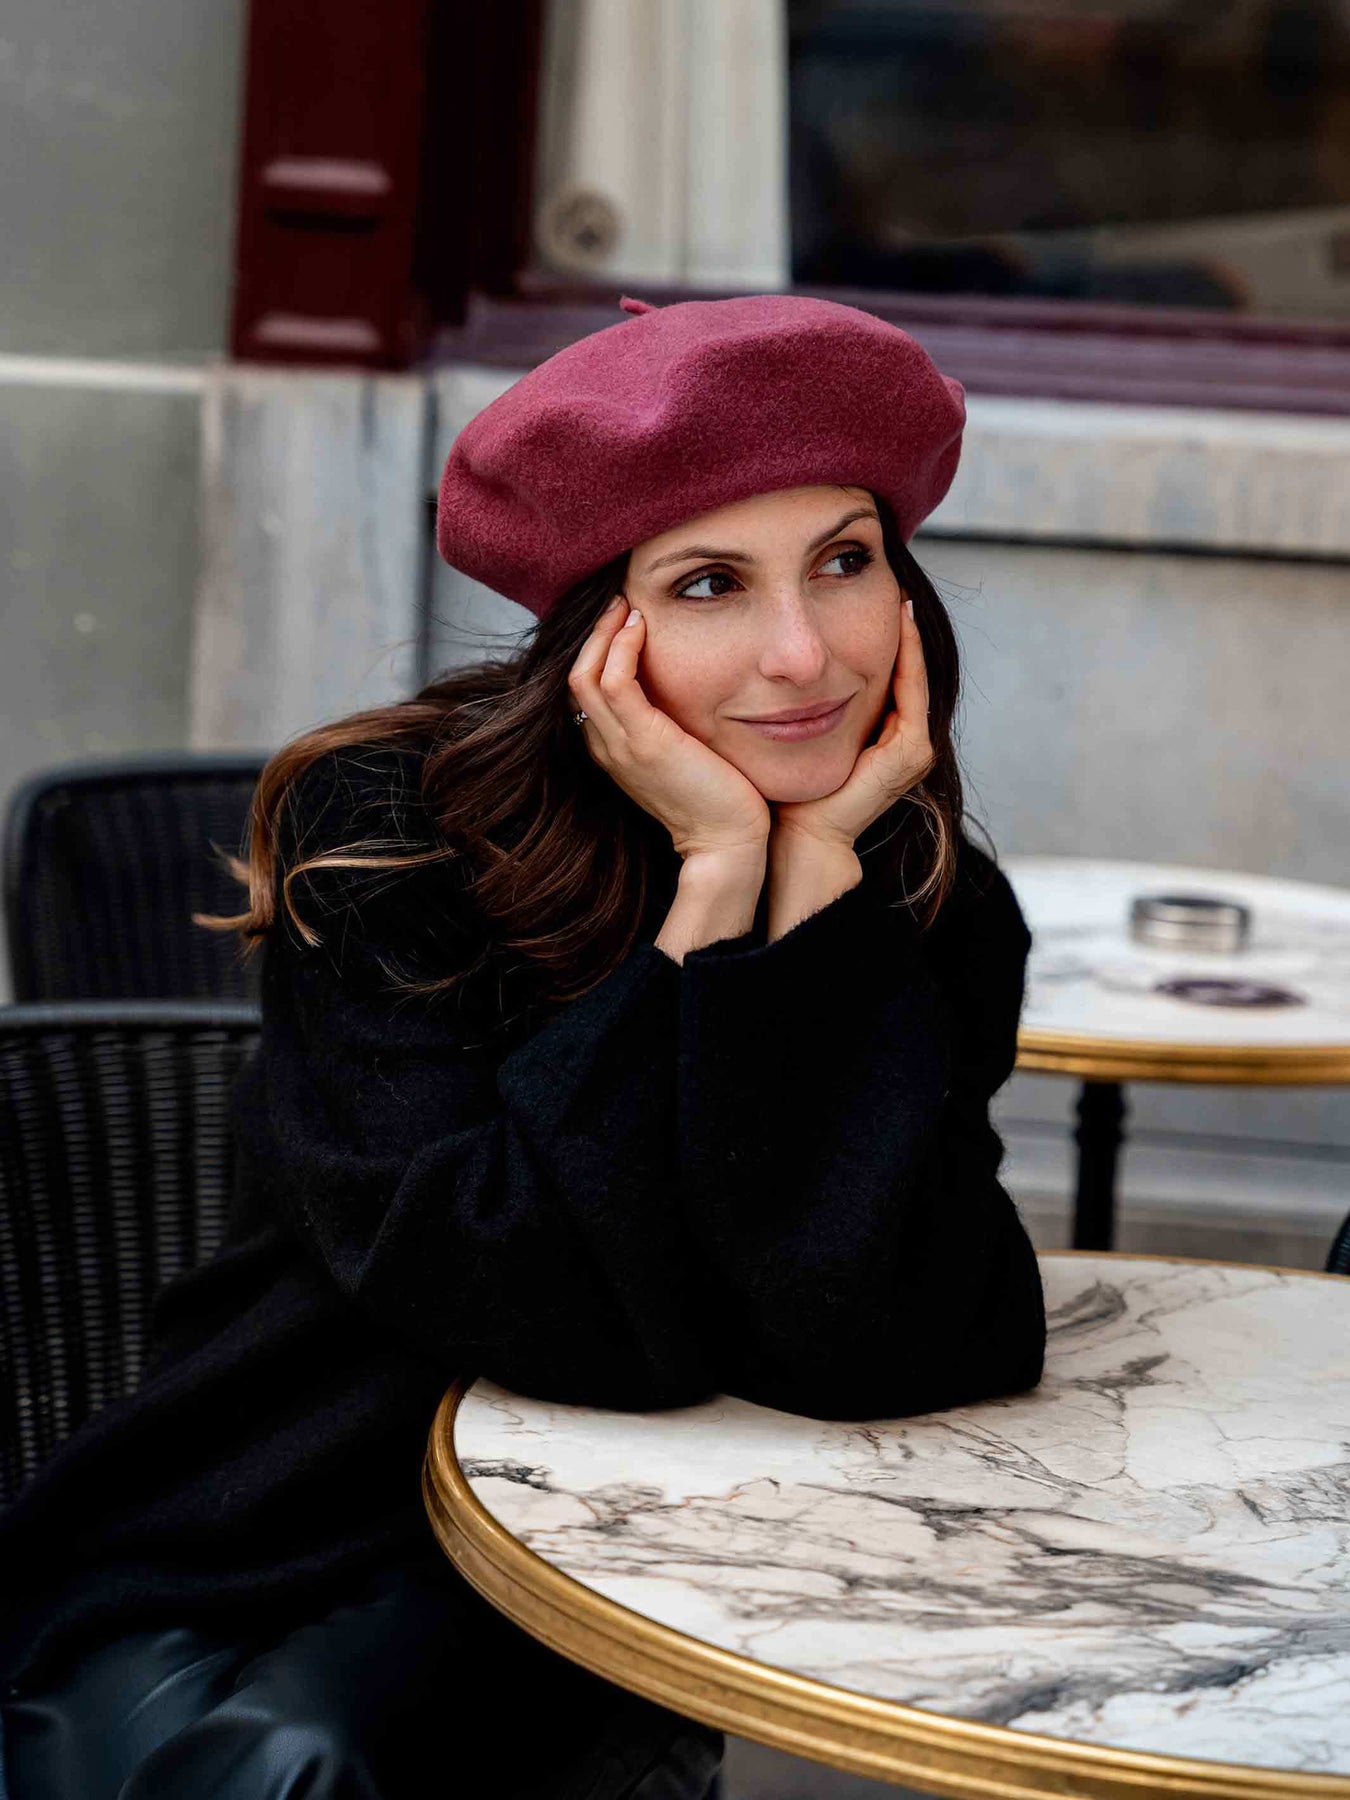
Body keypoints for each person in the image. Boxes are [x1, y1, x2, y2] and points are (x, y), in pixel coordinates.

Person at [0, 293, 1046, 1798]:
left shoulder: (922, 898)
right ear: (596, 638)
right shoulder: (393, 838)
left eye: (844, 561)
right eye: (708, 584)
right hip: (296, 1516)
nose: (803, 651)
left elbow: (912, 1338)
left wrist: (807, 904)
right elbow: (521, 1300)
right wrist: (708, 898)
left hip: (649, 1549)